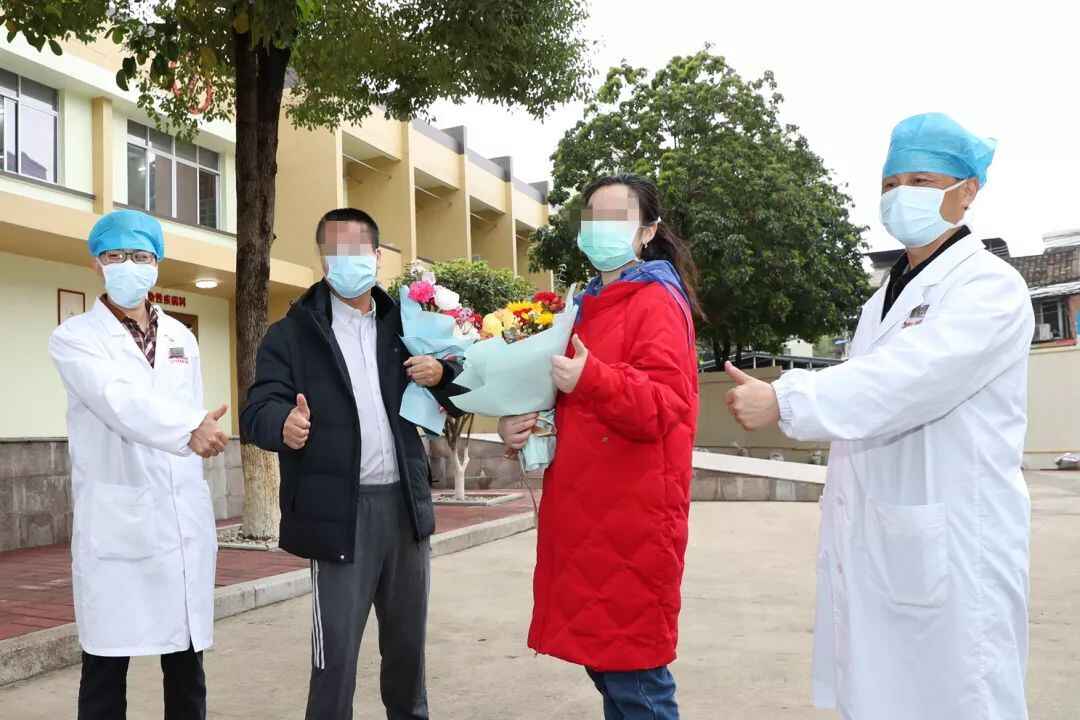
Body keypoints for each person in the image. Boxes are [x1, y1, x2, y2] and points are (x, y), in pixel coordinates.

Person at [726, 113, 1034, 720]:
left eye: (920, 180)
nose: (900, 195)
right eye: (890, 183)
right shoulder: (881, 301)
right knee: (880, 692)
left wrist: (788, 399)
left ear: (967, 191)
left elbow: (908, 380)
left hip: (956, 540)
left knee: (960, 695)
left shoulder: (989, 287)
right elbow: (867, 395)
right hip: (884, 535)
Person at [240, 208, 460, 720]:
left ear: (377, 256)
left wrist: (441, 372)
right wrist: (281, 424)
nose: (347, 261)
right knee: (335, 655)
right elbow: (258, 409)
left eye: (357, 250)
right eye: (334, 251)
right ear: (322, 259)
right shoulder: (291, 335)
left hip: (405, 508)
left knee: (407, 650)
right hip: (338, 513)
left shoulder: (406, 326)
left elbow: (460, 382)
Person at [496, 175, 701, 720]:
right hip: (585, 511)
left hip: (632, 516)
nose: (600, 227)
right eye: (592, 216)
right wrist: (522, 422)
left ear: (648, 231)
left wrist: (591, 379)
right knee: (609, 666)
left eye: (617, 216)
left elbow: (664, 405)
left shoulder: (655, 300)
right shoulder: (584, 304)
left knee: (634, 674)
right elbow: (562, 396)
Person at [49, 209, 228, 720]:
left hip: (179, 520)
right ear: (97, 264)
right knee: (105, 672)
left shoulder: (182, 338)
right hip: (117, 523)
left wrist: (195, 430)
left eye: (141, 256)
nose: (129, 265)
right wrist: (190, 426)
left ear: (157, 264)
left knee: (187, 672)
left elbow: (188, 412)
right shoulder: (74, 337)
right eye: (116, 255)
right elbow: (117, 399)